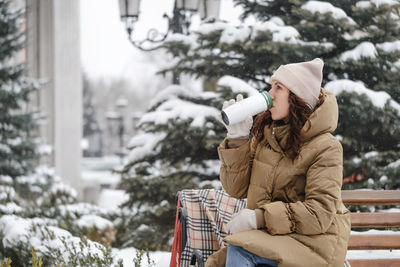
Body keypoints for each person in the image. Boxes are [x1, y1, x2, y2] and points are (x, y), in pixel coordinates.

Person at [206, 58, 351, 267]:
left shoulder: (326, 147)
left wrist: (260, 217)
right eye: (271, 86)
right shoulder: (266, 137)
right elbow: (236, 189)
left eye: (279, 87)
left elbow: (319, 214)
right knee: (221, 260)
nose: (269, 94)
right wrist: (237, 139)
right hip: (273, 237)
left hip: (314, 242)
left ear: (297, 97)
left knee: (240, 251)